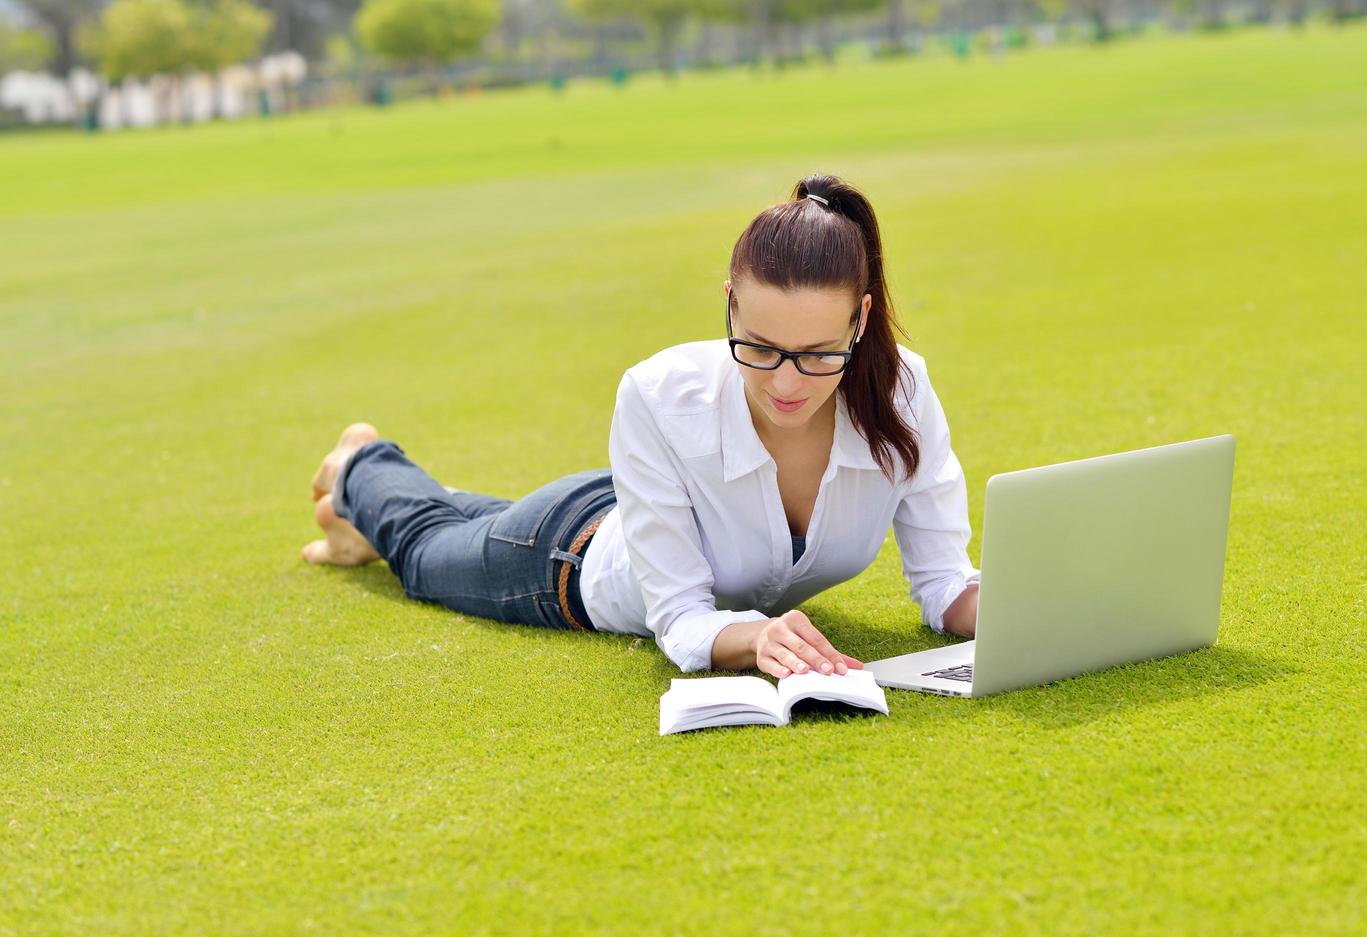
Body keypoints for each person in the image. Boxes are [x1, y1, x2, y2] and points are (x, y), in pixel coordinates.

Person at [301, 173, 981, 680]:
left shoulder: (901, 393)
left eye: (818, 355)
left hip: (645, 508)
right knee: (426, 551)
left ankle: (352, 527)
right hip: (570, 555)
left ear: (860, 320)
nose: (784, 383)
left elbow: (945, 583)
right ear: (730, 306)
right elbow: (680, 617)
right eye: (760, 348)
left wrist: (1019, 611)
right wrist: (752, 637)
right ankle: (360, 464)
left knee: (463, 522)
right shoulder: (658, 395)